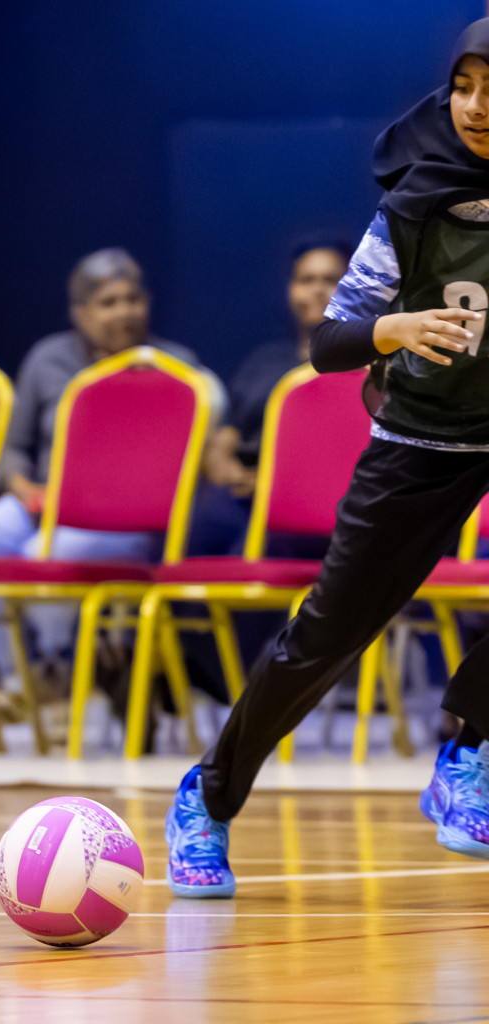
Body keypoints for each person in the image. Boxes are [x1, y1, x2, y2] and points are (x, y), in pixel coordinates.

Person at [166, 19, 489, 899]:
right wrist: (397, 327)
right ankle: (207, 797)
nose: (475, 105)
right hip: (420, 438)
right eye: (463, 84)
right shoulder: (414, 202)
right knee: (325, 640)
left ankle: (467, 748)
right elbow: (327, 340)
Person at [0, 249, 222, 703]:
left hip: (120, 520)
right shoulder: (48, 360)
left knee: (47, 551)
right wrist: (22, 485)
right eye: (108, 302)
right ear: (79, 312)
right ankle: (25, 672)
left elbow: (194, 454)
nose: (123, 311)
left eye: (132, 299)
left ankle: (60, 664)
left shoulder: (177, 367)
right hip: (38, 506)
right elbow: (14, 449)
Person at [202, 243, 349, 503]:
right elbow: (229, 431)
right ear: (290, 289)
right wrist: (224, 465)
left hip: (315, 501)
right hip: (241, 493)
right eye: (306, 280)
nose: (317, 290)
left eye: (331, 280)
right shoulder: (263, 361)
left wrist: (272, 483)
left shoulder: (363, 368)